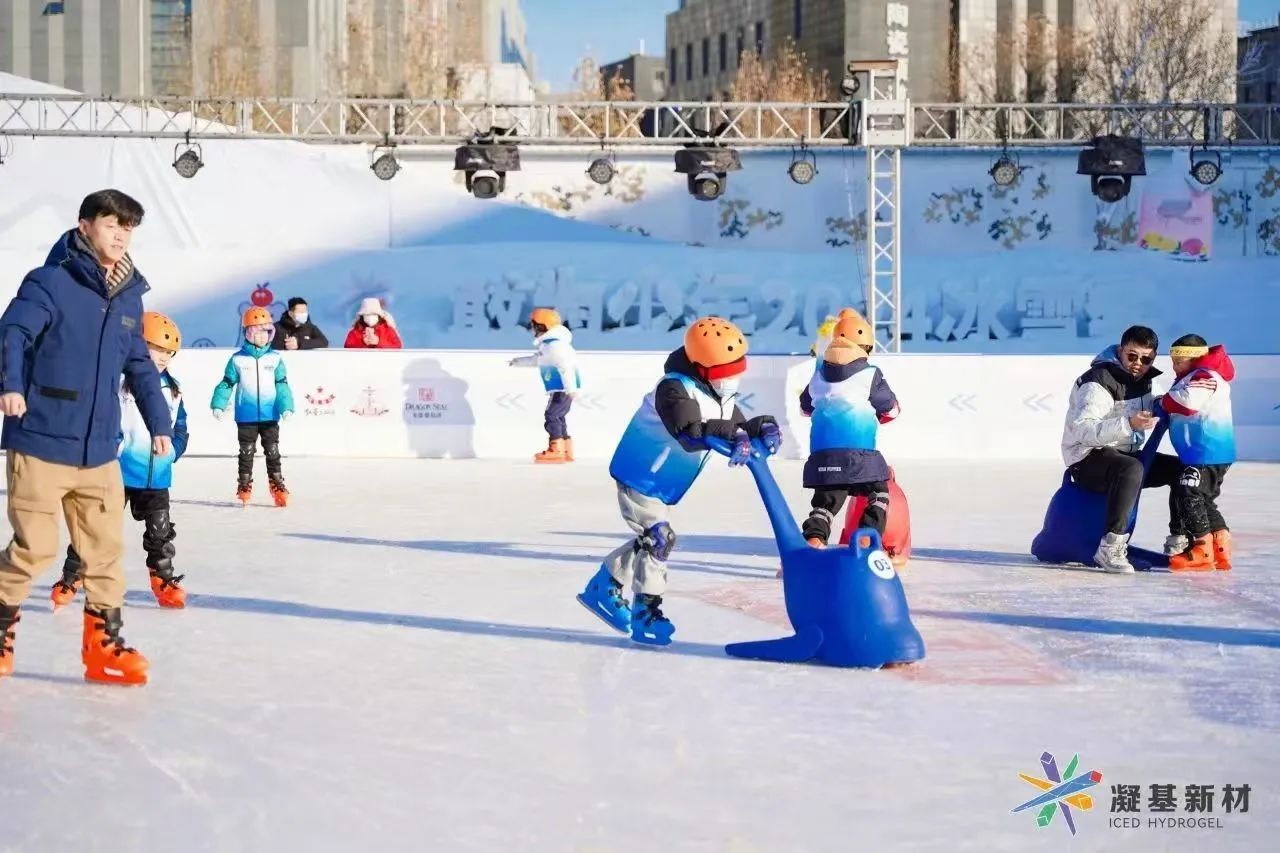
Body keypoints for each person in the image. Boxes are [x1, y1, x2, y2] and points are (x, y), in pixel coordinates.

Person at [0, 189, 172, 686]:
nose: (120, 235)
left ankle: (103, 646)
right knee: (34, 548)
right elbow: (13, 333)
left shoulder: (129, 295)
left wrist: (159, 422)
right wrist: (11, 385)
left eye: (128, 228)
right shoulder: (50, 281)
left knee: (105, 552)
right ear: (85, 226)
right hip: (42, 438)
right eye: (111, 224)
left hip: (98, 449)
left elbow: (139, 364)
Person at [577, 317, 782, 646]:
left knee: (651, 539)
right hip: (641, 473)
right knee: (660, 538)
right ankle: (646, 613)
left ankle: (605, 585)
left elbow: (736, 425)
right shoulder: (672, 389)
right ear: (701, 367)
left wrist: (765, 427)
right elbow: (690, 432)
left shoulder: (717, 392)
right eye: (723, 371)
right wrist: (734, 433)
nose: (731, 378)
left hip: (664, 481)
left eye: (737, 368)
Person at [53, 312, 191, 610]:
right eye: (157, 348)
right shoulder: (117, 382)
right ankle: (72, 576)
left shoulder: (174, 389)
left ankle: (163, 580)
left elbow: (180, 426)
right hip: (116, 473)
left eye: (169, 352)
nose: (164, 357)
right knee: (95, 527)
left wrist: (174, 450)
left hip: (156, 477)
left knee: (160, 532)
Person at [1061, 325, 1183, 573]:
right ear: (1120, 350)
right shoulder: (1097, 382)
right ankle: (1110, 548)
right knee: (1131, 468)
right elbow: (1082, 430)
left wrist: (1165, 404)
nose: (1138, 364)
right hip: (1086, 458)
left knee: (1182, 471)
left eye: (1146, 359)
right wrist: (1128, 424)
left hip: (1125, 455)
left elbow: (1156, 401)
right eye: (1132, 356)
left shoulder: (1146, 380)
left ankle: (1178, 541)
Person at [798, 310, 900, 547]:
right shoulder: (870, 374)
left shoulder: (818, 375)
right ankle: (865, 540)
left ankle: (814, 540)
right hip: (860, 456)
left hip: (822, 456)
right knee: (879, 493)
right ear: (866, 348)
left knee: (825, 504)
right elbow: (890, 407)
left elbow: (805, 408)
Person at [1158, 334, 1236, 571]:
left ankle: (1202, 549)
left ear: (1194, 358)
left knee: (1188, 492)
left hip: (1207, 451)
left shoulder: (1205, 376)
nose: (1174, 366)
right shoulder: (1196, 376)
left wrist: (1161, 403)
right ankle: (1220, 547)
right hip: (1203, 452)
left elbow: (1187, 403)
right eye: (1173, 361)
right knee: (1202, 498)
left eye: (1179, 361)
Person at [211, 307, 295, 506]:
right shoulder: (237, 360)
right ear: (248, 334)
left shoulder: (275, 358)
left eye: (266, 332)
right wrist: (218, 404)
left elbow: (281, 384)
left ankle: (277, 483)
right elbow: (227, 383)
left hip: (269, 414)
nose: (262, 337)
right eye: (257, 332)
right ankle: (244, 484)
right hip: (246, 416)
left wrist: (286, 407)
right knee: (246, 452)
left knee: (272, 451)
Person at [508, 307, 581, 464]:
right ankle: (565, 449)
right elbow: (538, 360)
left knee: (552, 415)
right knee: (558, 416)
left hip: (563, 388)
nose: (532, 329)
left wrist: (570, 389)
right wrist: (518, 362)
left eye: (534, 325)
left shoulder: (554, 346)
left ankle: (556, 450)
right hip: (562, 388)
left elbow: (565, 366)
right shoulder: (551, 345)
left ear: (542, 326)